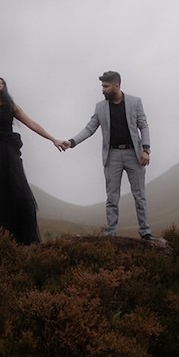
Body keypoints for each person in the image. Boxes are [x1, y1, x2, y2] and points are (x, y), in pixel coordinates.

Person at [0, 76, 67, 244]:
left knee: (21, 192)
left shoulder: (11, 106)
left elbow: (32, 124)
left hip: (10, 152)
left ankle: (25, 241)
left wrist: (53, 139)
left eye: (2, 82)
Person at [61, 70, 154, 240]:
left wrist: (146, 149)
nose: (102, 89)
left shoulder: (135, 102)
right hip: (112, 156)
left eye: (106, 86)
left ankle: (145, 232)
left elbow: (143, 125)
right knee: (112, 198)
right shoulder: (100, 107)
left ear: (116, 85)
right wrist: (71, 142)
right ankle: (111, 233)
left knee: (139, 195)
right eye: (102, 86)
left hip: (134, 155)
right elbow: (89, 128)